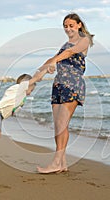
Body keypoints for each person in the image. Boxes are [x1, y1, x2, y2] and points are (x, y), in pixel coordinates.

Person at [37, 13, 94, 173]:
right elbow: (53, 58)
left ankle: (56, 162)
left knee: (62, 123)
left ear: (79, 25)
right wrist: (34, 78)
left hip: (72, 84)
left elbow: (68, 54)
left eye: (71, 25)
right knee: (58, 126)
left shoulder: (84, 40)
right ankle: (62, 163)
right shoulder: (65, 44)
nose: (68, 29)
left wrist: (54, 61)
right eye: (65, 26)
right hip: (58, 85)